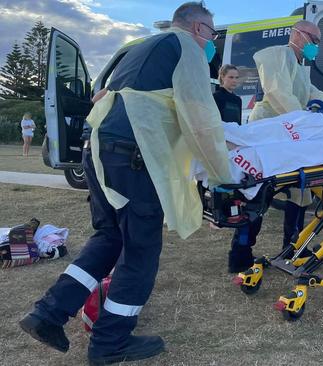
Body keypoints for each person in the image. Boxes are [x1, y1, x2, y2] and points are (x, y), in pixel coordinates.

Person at [19, 2, 231, 364]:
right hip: (133, 155)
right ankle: (111, 342)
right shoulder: (188, 51)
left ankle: (48, 314)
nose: (211, 42)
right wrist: (223, 175)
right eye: (211, 34)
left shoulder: (139, 49)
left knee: (109, 237)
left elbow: (101, 96)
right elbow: (201, 118)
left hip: (99, 147)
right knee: (140, 249)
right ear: (198, 29)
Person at [227, 20, 323, 273]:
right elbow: (278, 93)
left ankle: (294, 246)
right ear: (297, 34)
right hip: (268, 134)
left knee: (301, 191)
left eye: (319, 42)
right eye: (314, 39)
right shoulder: (277, 55)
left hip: (289, 135)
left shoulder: (300, 68)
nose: (316, 46)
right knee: (256, 194)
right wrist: (305, 123)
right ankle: (241, 252)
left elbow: (313, 93)